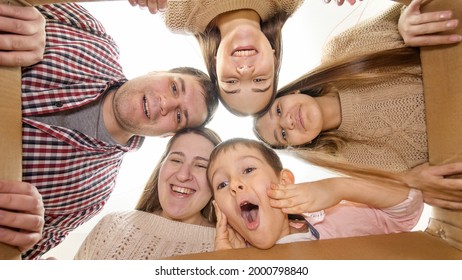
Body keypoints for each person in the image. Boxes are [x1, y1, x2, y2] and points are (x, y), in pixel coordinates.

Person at [0, 3, 219, 260]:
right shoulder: (90, 31)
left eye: (179, 116)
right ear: (156, 71)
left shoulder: (93, 195)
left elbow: (20, 259)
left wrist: (19, 245)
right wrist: (17, 13)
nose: (166, 104)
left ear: (166, 136)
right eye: (173, 87)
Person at [253, 0, 462, 210]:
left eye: (278, 110)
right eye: (283, 134)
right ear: (299, 145)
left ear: (291, 91)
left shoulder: (340, 52)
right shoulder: (352, 164)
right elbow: (407, 201)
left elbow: (402, 9)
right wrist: (411, 181)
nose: (287, 122)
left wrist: (404, 21)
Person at [130, 0, 356, 116]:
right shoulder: (287, 2)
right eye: (260, 81)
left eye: (231, 82)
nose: (246, 71)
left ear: (214, 64)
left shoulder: (180, 17)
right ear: (275, 59)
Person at [207, 138, 423, 250]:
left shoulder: (334, 220)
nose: (235, 184)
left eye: (248, 170)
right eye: (222, 184)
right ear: (220, 210)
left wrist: (339, 188)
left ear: (284, 182)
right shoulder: (230, 259)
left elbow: (406, 207)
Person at [74, 127, 221, 259]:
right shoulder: (113, 223)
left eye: (201, 165)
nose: (183, 175)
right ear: (161, 167)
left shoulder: (227, 246)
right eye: (176, 160)